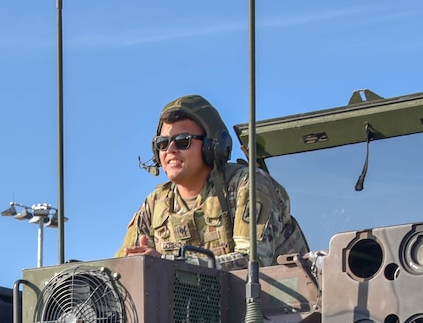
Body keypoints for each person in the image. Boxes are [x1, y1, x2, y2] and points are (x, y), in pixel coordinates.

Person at [117, 94, 308, 267]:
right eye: (163, 144)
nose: (171, 150)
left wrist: (167, 265)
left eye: (183, 141)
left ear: (212, 145)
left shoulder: (247, 184)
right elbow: (121, 269)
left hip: (275, 303)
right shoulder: (155, 204)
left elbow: (251, 263)